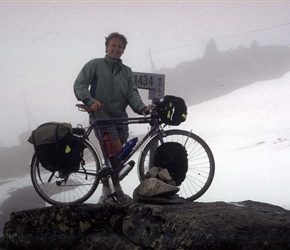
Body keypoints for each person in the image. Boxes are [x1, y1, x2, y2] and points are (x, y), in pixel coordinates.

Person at [73, 32, 149, 203]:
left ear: (123, 51)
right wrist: (91, 101)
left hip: (120, 118)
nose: (116, 49)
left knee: (116, 158)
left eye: (120, 47)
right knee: (114, 153)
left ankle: (109, 192)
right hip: (102, 116)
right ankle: (114, 192)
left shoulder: (127, 71)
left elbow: (132, 93)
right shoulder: (95, 64)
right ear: (106, 47)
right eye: (113, 45)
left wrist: (141, 107)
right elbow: (80, 84)